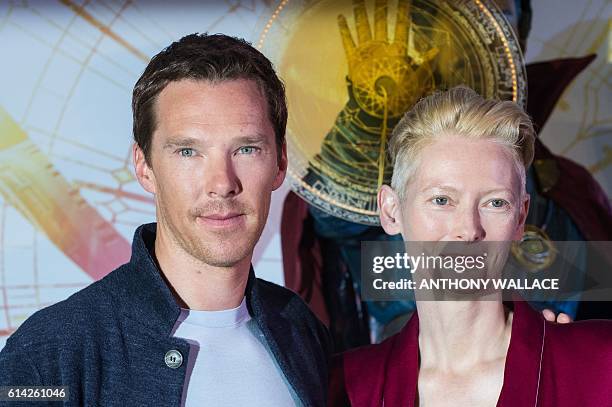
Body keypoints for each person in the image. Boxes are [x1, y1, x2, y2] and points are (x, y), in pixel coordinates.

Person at [0, 34, 330, 406]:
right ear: (144, 167)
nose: (222, 184)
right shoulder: (47, 355)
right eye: (188, 151)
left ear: (280, 163)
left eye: (246, 149)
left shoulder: (301, 329)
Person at [329, 87, 612, 406]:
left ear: (520, 218)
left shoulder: (602, 363)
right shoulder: (346, 387)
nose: (469, 229)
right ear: (391, 211)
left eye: (495, 202)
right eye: (441, 200)